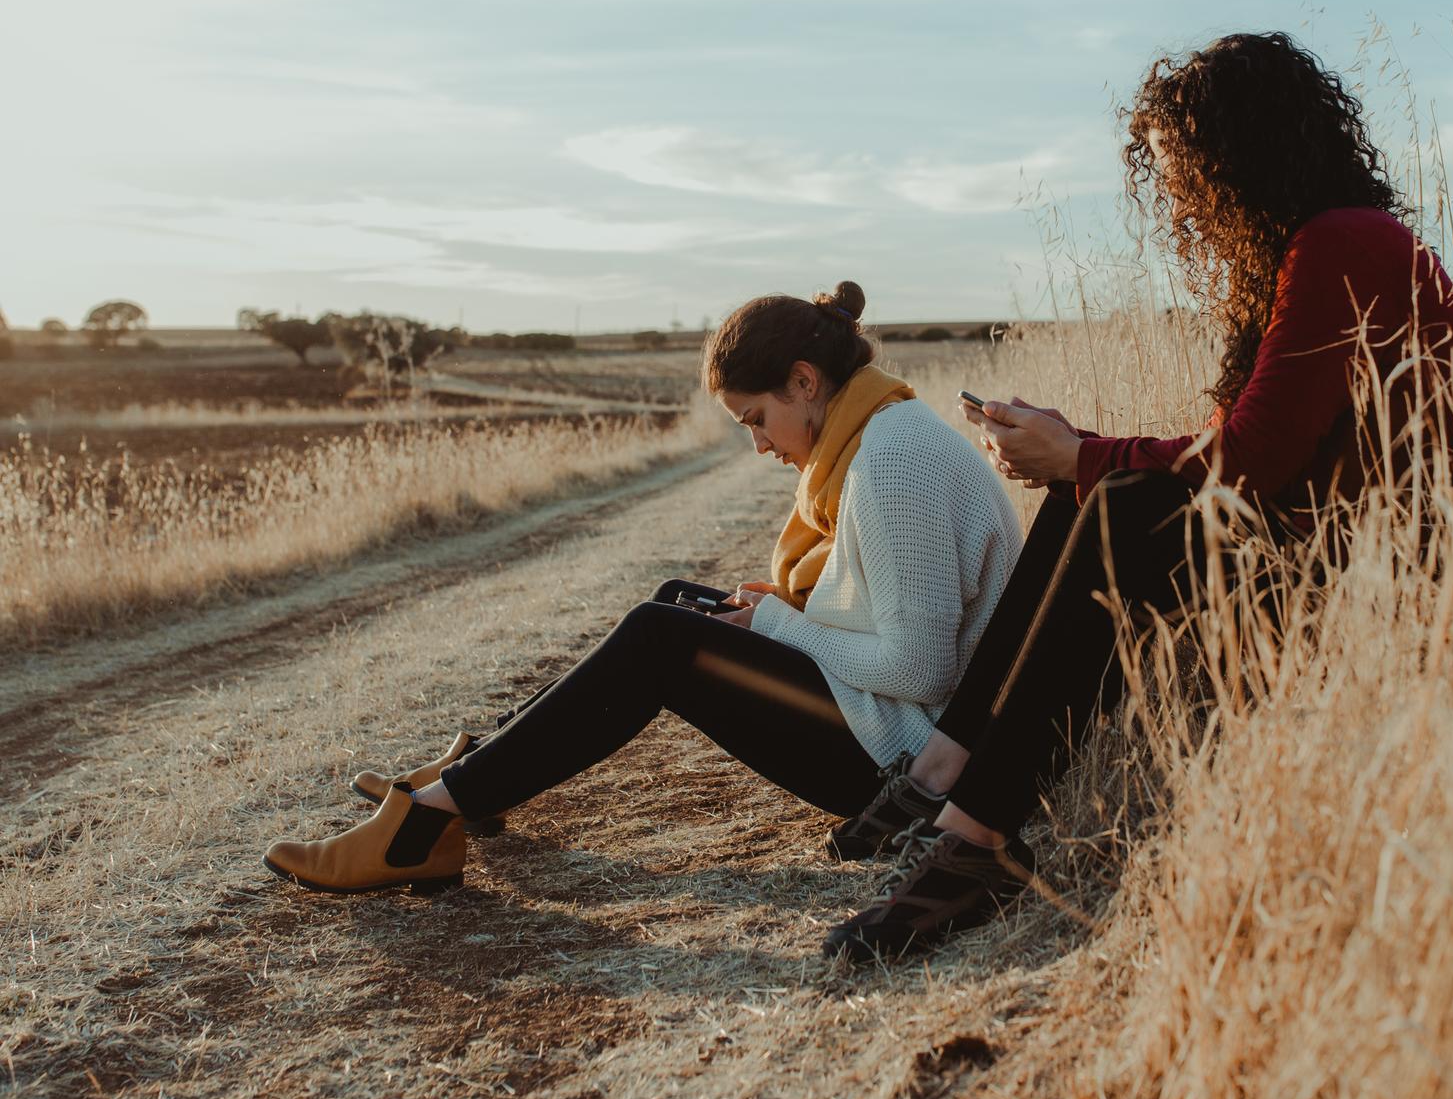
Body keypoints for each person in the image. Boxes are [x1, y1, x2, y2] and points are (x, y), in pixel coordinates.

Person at [819, 31, 1453, 962]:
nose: (1176, 196)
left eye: (1185, 169)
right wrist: (1079, 456)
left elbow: (1247, 460)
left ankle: (976, 844)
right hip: (1323, 539)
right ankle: (948, 765)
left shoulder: (1345, 244)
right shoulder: (1302, 256)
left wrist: (1083, 453)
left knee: (1122, 502)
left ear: (1240, 152)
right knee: (1100, 496)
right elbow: (1247, 454)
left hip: (1403, 567)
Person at [260, 281, 1025, 895]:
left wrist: (779, 626)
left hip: (912, 765)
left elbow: (923, 669)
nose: (758, 445)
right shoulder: (878, 438)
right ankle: (481, 775)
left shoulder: (892, 461)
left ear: (804, 380)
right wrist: (779, 616)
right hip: (896, 722)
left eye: (757, 419)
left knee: (663, 642)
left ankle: (429, 822)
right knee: (674, 603)